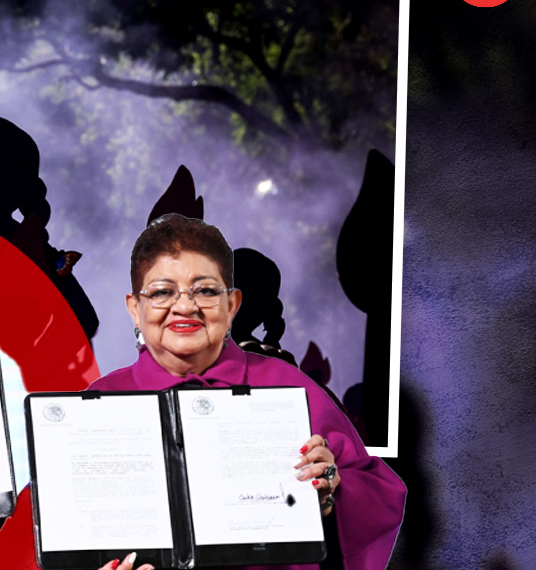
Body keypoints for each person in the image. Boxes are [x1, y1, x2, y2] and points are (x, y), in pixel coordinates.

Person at [91, 214, 404, 570]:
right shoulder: (102, 400)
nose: (185, 306)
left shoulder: (288, 386)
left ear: (231, 305)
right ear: (135, 308)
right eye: (163, 292)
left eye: (205, 291)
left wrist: (332, 490)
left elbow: (379, 497)